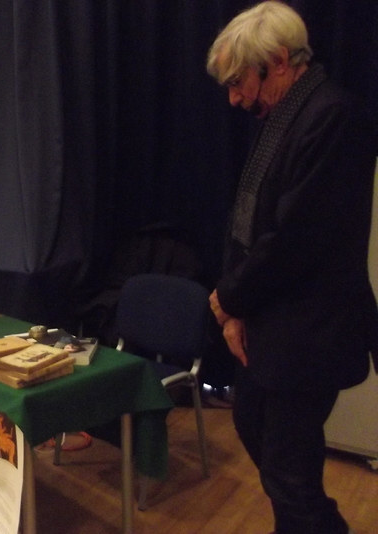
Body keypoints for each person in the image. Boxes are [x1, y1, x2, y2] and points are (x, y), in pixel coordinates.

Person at [206, 2, 378, 533]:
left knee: (288, 474)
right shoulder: (285, 115)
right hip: (272, 323)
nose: (235, 98)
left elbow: (294, 240)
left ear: (279, 61)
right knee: (255, 431)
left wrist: (228, 298)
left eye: (239, 82)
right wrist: (234, 311)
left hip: (311, 333)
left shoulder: (335, 116)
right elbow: (250, 221)